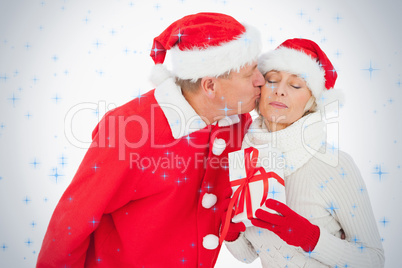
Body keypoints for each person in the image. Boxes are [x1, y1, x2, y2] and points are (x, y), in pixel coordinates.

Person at [36, 12, 265, 267]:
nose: (261, 80)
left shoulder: (237, 122)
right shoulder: (129, 130)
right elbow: (72, 223)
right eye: (250, 74)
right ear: (210, 86)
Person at [222, 38, 385, 267]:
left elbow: (374, 260)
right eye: (272, 80)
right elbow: (249, 255)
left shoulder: (334, 165)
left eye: (295, 85)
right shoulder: (246, 160)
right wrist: (231, 232)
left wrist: (310, 238)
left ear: (311, 101)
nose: (279, 91)